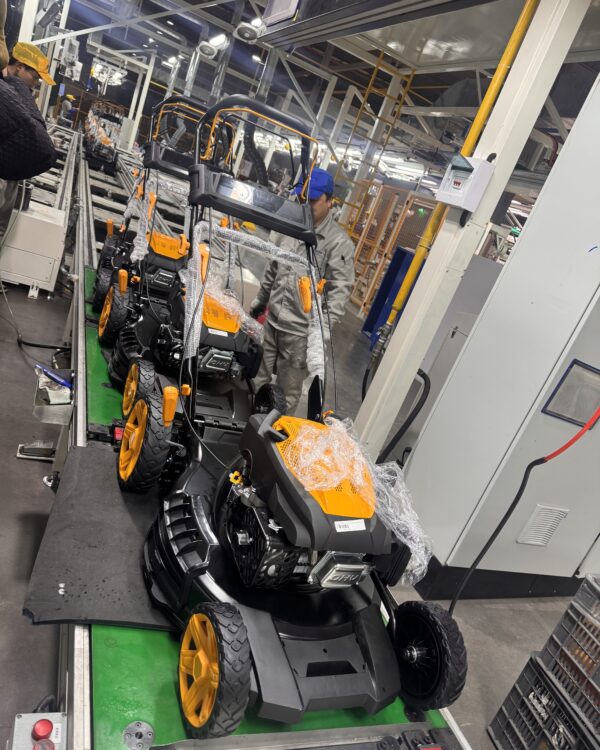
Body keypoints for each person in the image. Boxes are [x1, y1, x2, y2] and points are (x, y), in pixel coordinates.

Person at [250, 168, 355, 414]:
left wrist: (321, 332)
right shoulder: (289, 226)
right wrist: (260, 301)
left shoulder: (338, 243)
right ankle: (250, 423)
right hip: (272, 322)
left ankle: (274, 433)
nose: (306, 205)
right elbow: (273, 267)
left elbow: (339, 291)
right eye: (302, 198)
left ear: (330, 202)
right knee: (257, 380)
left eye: (314, 200)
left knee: (287, 394)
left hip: (300, 335)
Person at [0, 42, 56, 244]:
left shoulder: (15, 93)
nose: (35, 83)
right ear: (19, 67)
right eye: (35, 77)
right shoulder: (8, 91)